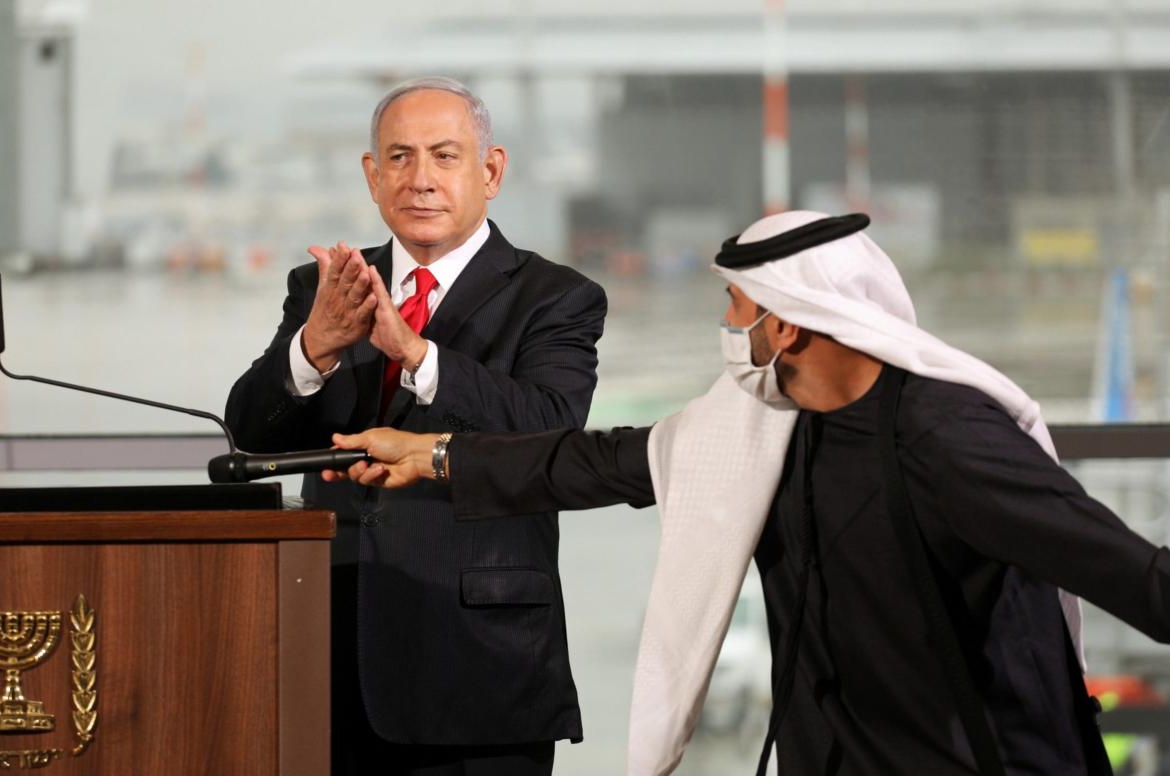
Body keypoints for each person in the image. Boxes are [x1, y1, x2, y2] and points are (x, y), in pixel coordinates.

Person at [327, 211, 1170, 776]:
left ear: (789, 322)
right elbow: (604, 462)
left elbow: (1129, 574)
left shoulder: (947, 439)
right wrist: (435, 456)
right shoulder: (761, 420)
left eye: (738, 306)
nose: (729, 328)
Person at [225, 76, 607, 776]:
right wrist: (314, 352)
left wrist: (419, 356)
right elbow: (251, 435)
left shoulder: (556, 297)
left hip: (479, 667)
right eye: (399, 158)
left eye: (444, 156)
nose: (420, 179)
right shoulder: (326, 289)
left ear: (491, 172)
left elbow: (548, 432)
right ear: (373, 178)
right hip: (332, 654)